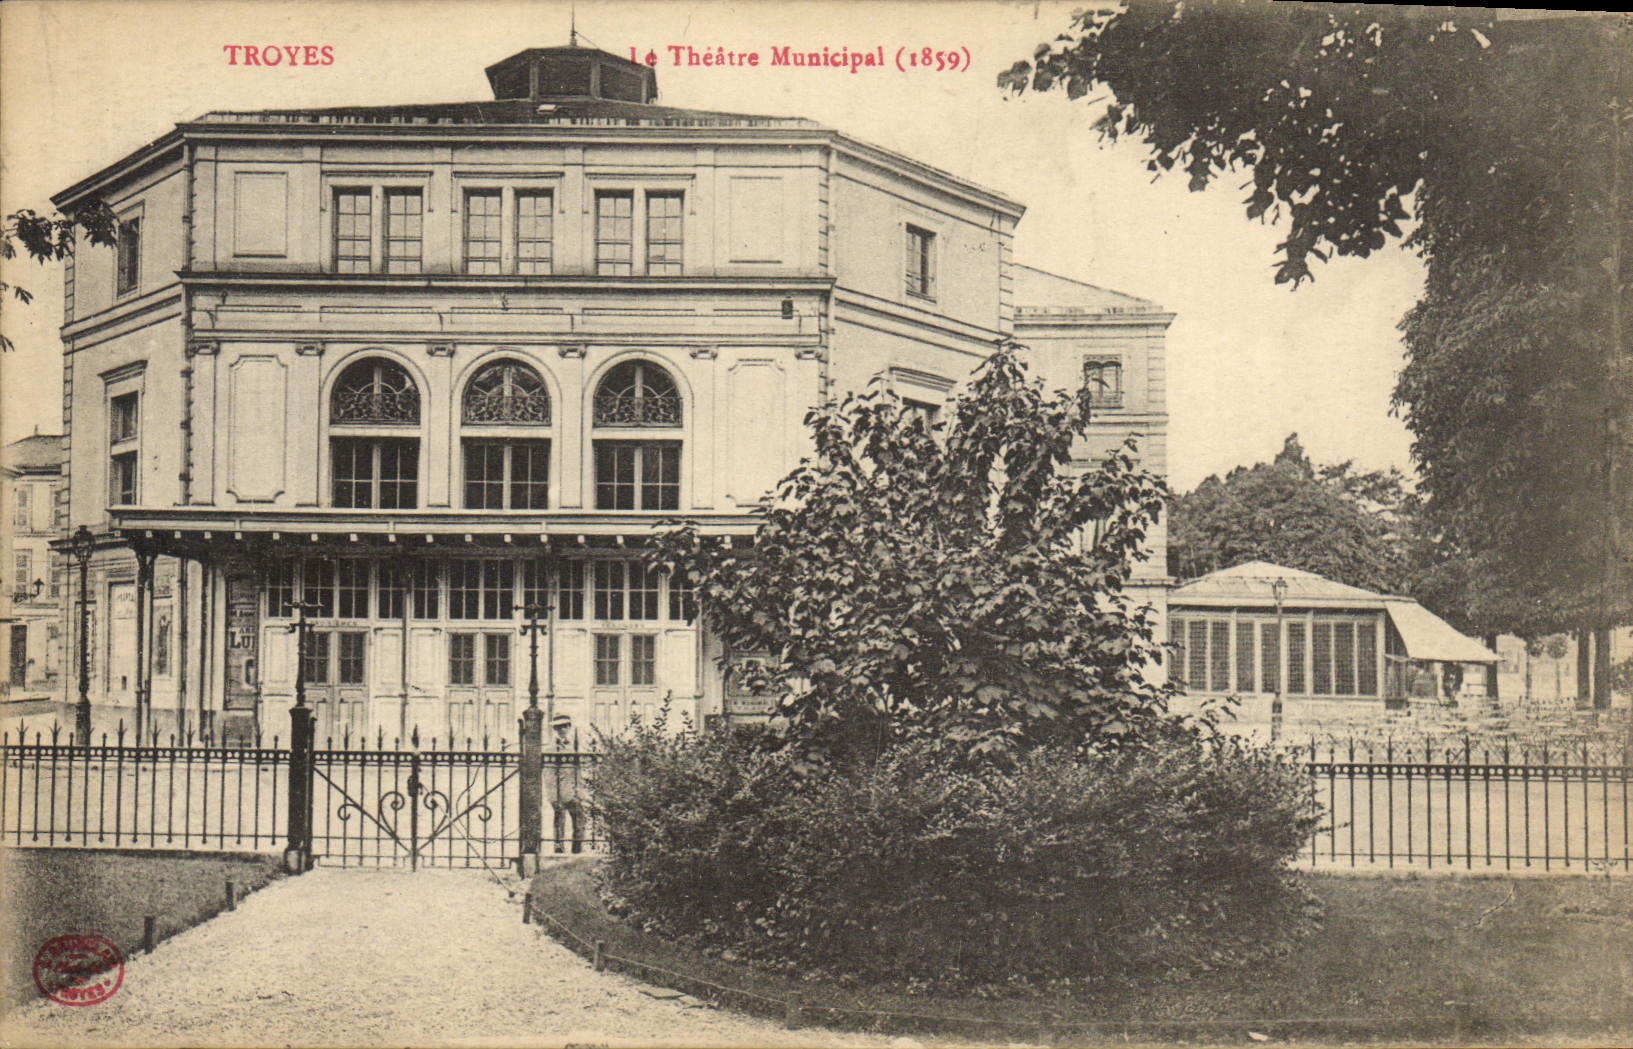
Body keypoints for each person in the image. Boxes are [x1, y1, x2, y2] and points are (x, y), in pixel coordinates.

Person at [546, 714, 585, 853]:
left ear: (569, 727)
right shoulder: (551, 749)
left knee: (580, 820)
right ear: (555, 729)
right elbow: (549, 775)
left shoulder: (574, 747)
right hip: (559, 793)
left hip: (573, 793)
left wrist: (580, 792)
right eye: (558, 727)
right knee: (559, 821)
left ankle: (577, 849)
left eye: (564, 726)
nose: (562, 730)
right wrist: (553, 797)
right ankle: (559, 848)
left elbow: (578, 772)